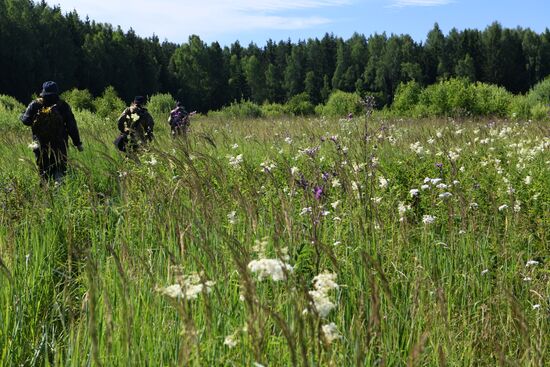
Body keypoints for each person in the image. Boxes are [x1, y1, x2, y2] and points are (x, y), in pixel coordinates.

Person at [20, 81, 83, 183]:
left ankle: (45, 191)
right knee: (59, 168)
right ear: (56, 92)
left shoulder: (35, 104)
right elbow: (72, 126)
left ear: (43, 92)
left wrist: (22, 115)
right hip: (59, 142)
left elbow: (26, 121)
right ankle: (58, 191)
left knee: (43, 169)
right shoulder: (63, 106)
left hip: (40, 143)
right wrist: (77, 143)